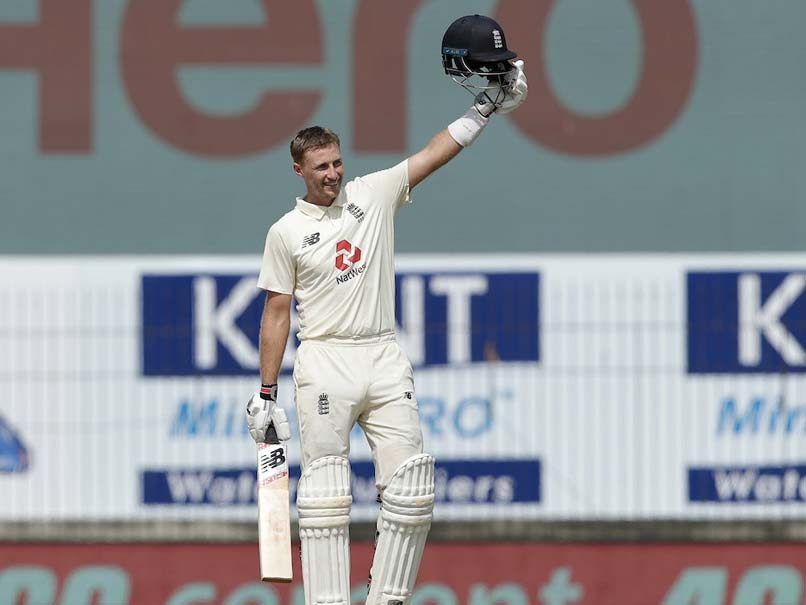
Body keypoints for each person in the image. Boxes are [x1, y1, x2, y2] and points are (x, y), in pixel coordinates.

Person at [245, 15, 528, 605]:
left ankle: (387, 598)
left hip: (381, 353)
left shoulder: (371, 195)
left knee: (414, 487)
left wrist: (484, 110)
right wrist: (266, 394)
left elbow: (431, 155)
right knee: (325, 498)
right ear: (298, 171)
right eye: (321, 168)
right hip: (323, 361)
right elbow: (276, 313)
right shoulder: (287, 232)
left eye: (337, 163)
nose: (333, 174)